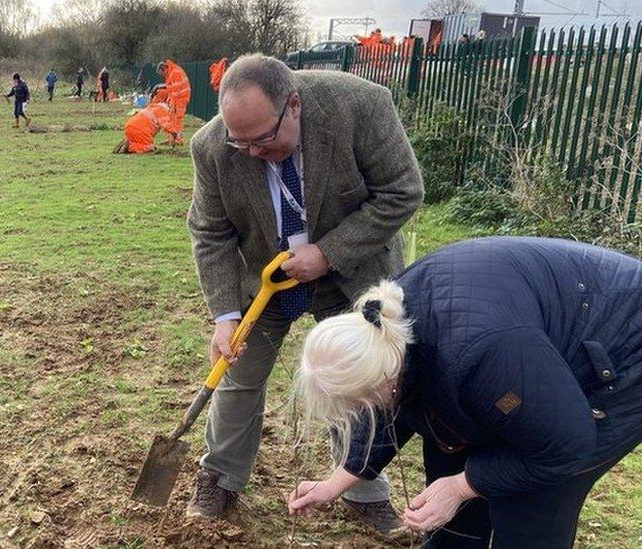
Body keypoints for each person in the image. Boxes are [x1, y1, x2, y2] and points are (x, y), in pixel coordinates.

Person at [185, 53, 423, 528]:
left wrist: (328, 252)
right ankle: (220, 478)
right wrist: (225, 315)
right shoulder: (212, 147)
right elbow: (210, 232)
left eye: (264, 140)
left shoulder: (360, 106)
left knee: (358, 379)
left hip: (350, 271)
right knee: (238, 372)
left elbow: (403, 190)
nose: (251, 152)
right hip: (265, 277)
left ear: (293, 105)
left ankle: (363, 490)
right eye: (240, 142)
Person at [288, 236, 642, 548]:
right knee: (450, 455)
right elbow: (390, 406)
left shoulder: (478, 354)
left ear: (385, 376)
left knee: (529, 501)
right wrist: (338, 481)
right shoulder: (385, 330)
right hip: (521, 353)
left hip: (621, 348)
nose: (365, 410)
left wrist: (463, 486)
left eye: (361, 402)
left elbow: (566, 442)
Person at [157, 60, 190, 145]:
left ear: (164, 69)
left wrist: (172, 103)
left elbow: (176, 90)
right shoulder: (171, 73)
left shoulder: (175, 73)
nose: (162, 76)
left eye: (162, 74)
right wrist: (169, 100)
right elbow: (171, 89)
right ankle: (171, 139)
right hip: (177, 98)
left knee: (178, 119)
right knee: (171, 118)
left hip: (181, 98)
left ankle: (178, 140)